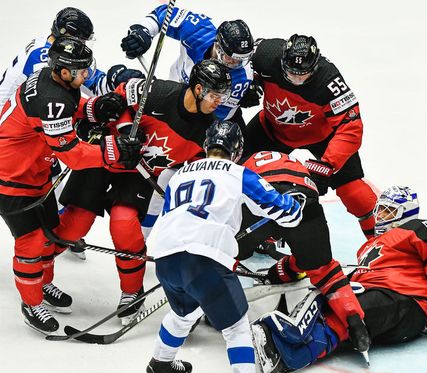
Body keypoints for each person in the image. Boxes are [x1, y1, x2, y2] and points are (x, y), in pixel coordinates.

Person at [55, 59, 232, 325]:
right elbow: (123, 92)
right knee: (73, 226)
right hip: (106, 154)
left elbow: (201, 170)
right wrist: (126, 129)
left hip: (140, 173)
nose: (219, 102)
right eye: (214, 95)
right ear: (197, 89)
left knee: (124, 225)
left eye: (223, 96)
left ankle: (131, 292)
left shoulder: (206, 131)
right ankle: (37, 280)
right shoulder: (161, 93)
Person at [252, 186, 427, 372]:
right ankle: (284, 342)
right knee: (332, 300)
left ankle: (286, 354)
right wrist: (286, 268)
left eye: (389, 211)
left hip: (405, 302)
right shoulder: (370, 245)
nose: (381, 216)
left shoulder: (420, 228)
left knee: (344, 309)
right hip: (381, 300)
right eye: (381, 209)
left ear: (406, 213)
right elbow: (324, 267)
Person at [0, 36, 142, 334]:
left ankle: (43, 281)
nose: (86, 75)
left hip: (34, 173)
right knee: (31, 242)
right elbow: (73, 155)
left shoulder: (55, 82)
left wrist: (95, 108)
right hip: (10, 178)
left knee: (51, 235)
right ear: (64, 72)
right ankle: (30, 303)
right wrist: (111, 151)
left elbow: (71, 109)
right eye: (81, 71)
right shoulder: (51, 99)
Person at [145, 121, 304, 373]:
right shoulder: (237, 173)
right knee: (237, 327)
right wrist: (295, 204)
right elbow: (285, 213)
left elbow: (171, 217)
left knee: (186, 313)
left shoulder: (178, 175)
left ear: (207, 144)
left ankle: (161, 362)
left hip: (165, 257)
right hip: (205, 258)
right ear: (238, 149)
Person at [120, 4, 256, 239]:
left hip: (204, 119)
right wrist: (143, 31)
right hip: (175, 99)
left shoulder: (240, 77)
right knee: (161, 176)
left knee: (185, 179)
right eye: (230, 59)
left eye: (241, 61)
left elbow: (210, 117)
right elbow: (165, 13)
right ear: (217, 45)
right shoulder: (200, 30)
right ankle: (142, 235)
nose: (234, 65)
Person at [240, 34, 378, 240]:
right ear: (281, 61)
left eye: (302, 75)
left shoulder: (329, 80)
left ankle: (382, 242)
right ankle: (256, 234)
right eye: (291, 72)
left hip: (324, 137)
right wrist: (247, 84)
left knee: (355, 193)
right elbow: (240, 63)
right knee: (238, 173)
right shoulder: (265, 54)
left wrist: (328, 165)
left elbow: (351, 126)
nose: (296, 79)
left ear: (315, 67)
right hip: (272, 128)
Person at [236, 150, 369, 354]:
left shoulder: (240, 164)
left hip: (263, 196)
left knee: (221, 251)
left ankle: (198, 305)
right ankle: (354, 321)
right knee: (323, 269)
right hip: (304, 198)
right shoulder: (294, 161)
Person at [0, 6, 144, 106]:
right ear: (65, 34)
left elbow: (90, 82)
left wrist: (114, 79)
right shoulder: (44, 60)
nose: (82, 45)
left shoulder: (52, 47)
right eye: (80, 40)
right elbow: (55, 102)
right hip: (8, 127)